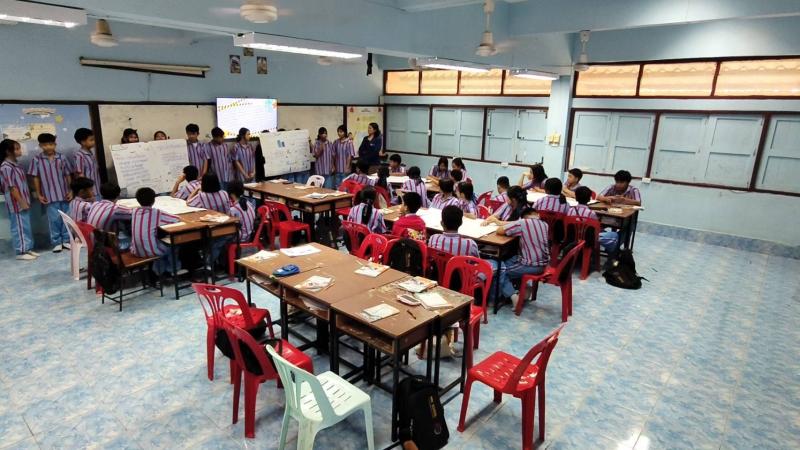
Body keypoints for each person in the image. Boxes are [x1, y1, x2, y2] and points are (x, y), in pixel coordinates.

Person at [491, 206, 550, 307]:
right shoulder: (545, 224)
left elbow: (500, 231)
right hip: (543, 263)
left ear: (524, 217)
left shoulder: (523, 223)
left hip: (530, 265)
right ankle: (522, 287)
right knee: (509, 261)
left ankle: (510, 296)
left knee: (500, 270)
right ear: (537, 215)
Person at [28, 133, 72, 252]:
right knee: (54, 220)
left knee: (66, 218)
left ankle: (67, 240)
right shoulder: (37, 160)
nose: (48, 147)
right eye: (45, 145)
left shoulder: (62, 158)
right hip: (49, 196)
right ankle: (57, 242)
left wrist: (71, 190)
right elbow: (35, 177)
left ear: (55, 144)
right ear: (40, 146)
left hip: (64, 194)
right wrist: (39, 194)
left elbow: (68, 175)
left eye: (51, 144)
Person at [131, 187, 180, 276]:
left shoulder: (134, 211)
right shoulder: (156, 212)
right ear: (154, 200)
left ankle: (159, 270)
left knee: (158, 240)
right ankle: (172, 270)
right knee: (174, 245)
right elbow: (176, 219)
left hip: (135, 250)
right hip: (151, 251)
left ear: (137, 200)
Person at [0, 139, 37, 260]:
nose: (20, 151)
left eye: (19, 148)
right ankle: (21, 251)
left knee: (25, 226)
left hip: (24, 200)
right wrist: (21, 202)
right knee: (19, 227)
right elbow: (12, 187)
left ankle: (28, 248)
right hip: (16, 203)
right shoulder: (6, 167)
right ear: (8, 151)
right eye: (16, 149)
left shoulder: (17, 165)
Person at [571, 186, 619, 254]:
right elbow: (596, 228)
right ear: (589, 199)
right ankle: (612, 255)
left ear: (575, 198)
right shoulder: (591, 213)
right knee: (614, 235)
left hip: (573, 236)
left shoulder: (570, 210)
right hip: (587, 239)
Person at [86, 182, 132, 249]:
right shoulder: (115, 208)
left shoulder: (94, 204)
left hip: (91, 242)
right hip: (104, 247)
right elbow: (134, 213)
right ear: (118, 194)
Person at [72, 128, 102, 199]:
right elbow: (80, 176)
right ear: (83, 142)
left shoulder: (91, 153)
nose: (94, 142)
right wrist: (87, 193)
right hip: (89, 193)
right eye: (91, 140)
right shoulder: (79, 156)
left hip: (97, 189)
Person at [228, 180, 256, 249]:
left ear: (231, 193)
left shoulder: (234, 209)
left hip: (241, 239)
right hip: (250, 235)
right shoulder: (248, 203)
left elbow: (228, 221)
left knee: (220, 239)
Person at [208, 127, 236, 191]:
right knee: (220, 194)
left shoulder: (225, 146)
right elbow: (207, 162)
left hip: (228, 176)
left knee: (228, 193)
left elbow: (229, 159)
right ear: (215, 137)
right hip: (217, 177)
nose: (223, 139)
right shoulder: (208, 147)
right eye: (220, 137)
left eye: (222, 136)